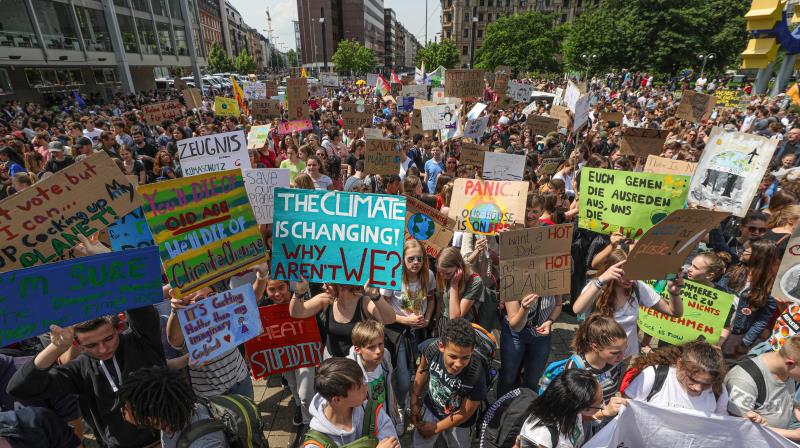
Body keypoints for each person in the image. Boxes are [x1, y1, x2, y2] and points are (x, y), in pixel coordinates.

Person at [7, 306, 166, 448]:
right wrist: (56, 348)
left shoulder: (141, 340)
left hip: (174, 436)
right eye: (91, 345)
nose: (103, 349)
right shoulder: (78, 369)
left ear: (118, 328)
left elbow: (138, 298)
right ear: (77, 344)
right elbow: (19, 388)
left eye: (108, 338)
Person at [572, 249, 684, 357]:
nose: (630, 279)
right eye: (623, 274)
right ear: (611, 270)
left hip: (626, 357)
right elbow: (577, 309)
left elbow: (674, 312)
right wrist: (601, 280)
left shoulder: (637, 287)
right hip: (599, 356)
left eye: (633, 272)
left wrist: (674, 293)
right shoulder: (597, 287)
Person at [411, 318, 487, 448]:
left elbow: (465, 412)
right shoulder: (430, 349)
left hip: (460, 423)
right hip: (431, 408)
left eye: (465, 357)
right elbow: (423, 370)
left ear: (472, 350)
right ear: (441, 346)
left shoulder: (476, 374)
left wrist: (436, 428)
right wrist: (413, 401)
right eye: (453, 356)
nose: (458, 364)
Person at [118, 366, 227, 448]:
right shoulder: (172, 416)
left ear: (151, 417)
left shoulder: (203, 445)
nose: (122, 410)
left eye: (128, 408)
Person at [289, 278, 396, 358]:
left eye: (328, 283)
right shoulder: (326, 300)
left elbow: (389, 319)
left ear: (343, 285)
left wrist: (376, 296)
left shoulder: (364, 302)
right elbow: (296, 313)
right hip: (332, 362)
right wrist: (299, 292)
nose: (323, 286)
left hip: (358, 365)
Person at [305, 357, 399, 448]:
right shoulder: (316, 443)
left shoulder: (373, 414)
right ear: (337, 400)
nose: (366, 387)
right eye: (358, 387)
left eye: (363, 381)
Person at [518, 369, 626, 448]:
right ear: (579, 407)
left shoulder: (568, 408)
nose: (603, 406)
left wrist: (605, 412)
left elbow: (581, 417)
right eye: (600, 404)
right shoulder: (541, 437)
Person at [623, 340, 728, 415]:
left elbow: (720, 426)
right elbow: (626, 411)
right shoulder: (655, 376)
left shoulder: (718, 391)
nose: (698, 388)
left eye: (706, 384)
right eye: (693, 379)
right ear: (680, 364)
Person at [726, 335, 800, 441]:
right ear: (790, 363)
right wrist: (794, 435)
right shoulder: (744, 380)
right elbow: (737, 427)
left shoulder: (788, 372)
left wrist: (795, 408)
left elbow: (782, 397)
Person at [540, 314, 628, 402]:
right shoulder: (575, 368)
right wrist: (603, 413)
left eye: (624, 350)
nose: (622, 357)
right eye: (615, 353)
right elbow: (574, 408)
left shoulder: (613, 362)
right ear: (595, 347)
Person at [498, 291, 562, 397]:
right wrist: (524, 308)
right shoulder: (514, 277)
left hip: (541, 336)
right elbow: (515, 326)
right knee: (508, 378)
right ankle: (501, 409)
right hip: (515, 334)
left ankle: (525, 408)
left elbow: (558, 305)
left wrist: (550, 321)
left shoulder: (554, 275)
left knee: (532, 380)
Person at [346, 320, 402, 434]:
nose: (378, 351)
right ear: (358, 349)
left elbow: (389, 384)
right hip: (366, 423)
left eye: (380, 344)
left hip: (384, 413)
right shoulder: (350, 372)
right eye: (371, 347)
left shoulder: (385, 356)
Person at [435, 247, 487, 333]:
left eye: (447, 273)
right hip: (443, 323)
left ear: (459, 268)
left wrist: (454, 286)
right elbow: (440, 301)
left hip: (462, 328)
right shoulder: (441, 275)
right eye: (440, 272)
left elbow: (455, 318)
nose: (443, 276)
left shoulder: (474, 281)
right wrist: (436, 325)